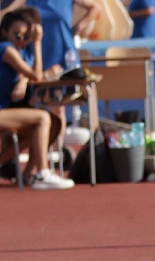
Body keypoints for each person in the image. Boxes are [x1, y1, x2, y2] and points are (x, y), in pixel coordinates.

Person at [0, 10, 74, 189]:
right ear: (4, 32)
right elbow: (37, 74)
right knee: (42, 118)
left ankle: (29, 174)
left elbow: (35, 75)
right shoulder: (5, 48)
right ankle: (42, 172)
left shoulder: (24, 52)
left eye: (26, 36)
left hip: (7, 110)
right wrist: (38, 42)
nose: (22, 40)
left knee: (53, 123)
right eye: (17, 35)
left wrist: (25, 80)